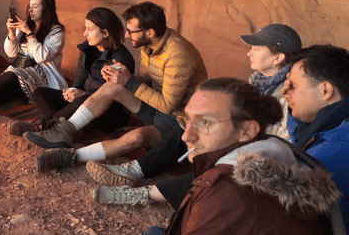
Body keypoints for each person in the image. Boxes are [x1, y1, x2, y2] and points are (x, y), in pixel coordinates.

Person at [88, 23, 302, 206]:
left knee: (216, 172)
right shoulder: (258, 81)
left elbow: (278, 145)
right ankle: (133, 170)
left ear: (278, 58)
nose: (249, 52)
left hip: (254, 156)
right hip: (235, 138)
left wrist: (226, 139)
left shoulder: (289, 95)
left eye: (256, 48)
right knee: (185, 129)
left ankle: (141, 194)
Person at [127, 77, 342, 235]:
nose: (186, 136)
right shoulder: (276, 151)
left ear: (247, 130)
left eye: (205, 123)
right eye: (188, 120)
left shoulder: (228, 194)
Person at [27, 2, 206, 170]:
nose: (127, 35)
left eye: (131, 31)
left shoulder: (178, 55)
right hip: (154, 107)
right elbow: (144, 79)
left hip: (178, 118)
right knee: (111, 87)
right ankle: (65, 130)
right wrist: (120, 78)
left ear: (150, 32)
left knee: (138, 136)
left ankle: (71, 156)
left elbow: (168, 106)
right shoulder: (148, 45)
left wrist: (129, 81)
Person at [10, 7, 134, 140]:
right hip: (82, 101)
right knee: (39, 93)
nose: (85, 33)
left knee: (80, 100)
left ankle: (42, 126)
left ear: (105, 33)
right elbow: (80, 80)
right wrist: (72, 91)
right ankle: (62, 127)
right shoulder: (87, 48)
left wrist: (84, 96)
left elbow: (113, 97)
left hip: (108, 113)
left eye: (90, 29)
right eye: (85, 28)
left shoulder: (120, 59)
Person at [283, 44, 349, 235]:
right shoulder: (324, 130)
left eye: (292, 86)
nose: (284, 93)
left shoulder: (332, 152)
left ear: (325, 90)